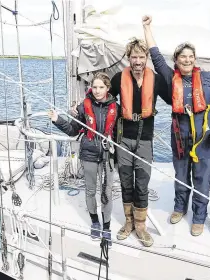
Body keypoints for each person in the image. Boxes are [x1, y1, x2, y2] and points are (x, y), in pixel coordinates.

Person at [142, 15, 210, 236]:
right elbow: (156, 57)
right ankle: (179, 207)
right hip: (179, 134)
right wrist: (147, 28)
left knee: (202, 177)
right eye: (182, 57)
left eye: (190, 56)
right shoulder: (170, 77)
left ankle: (198, 216)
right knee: (180, 174)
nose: (187, 60)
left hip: (203, 137)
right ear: (176, 60)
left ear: (195, 59)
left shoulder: (207, 78)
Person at [109, 38, 171, 247]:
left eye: (141, 57)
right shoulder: (119, 78)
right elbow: (105, 100)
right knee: (126, 183)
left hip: (145, 140)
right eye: (134, 56)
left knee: (141, 184)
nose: (137, 61)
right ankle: (128, 223)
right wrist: (81, 108)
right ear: (129, 58)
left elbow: (174, 100)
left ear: (146, 59)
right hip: (123, 140)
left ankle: (141, 226)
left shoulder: (156, 80)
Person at [48, 72, 119, 246]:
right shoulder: (82, 107)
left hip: (107, 155)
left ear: (107, 88)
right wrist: (57, 120)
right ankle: (95, 221)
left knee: (107, 192)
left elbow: (120, 133)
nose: (97, 90)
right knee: (90, 190)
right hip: (88, 154)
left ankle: (107, 227)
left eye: (101, 87)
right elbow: (73, 130)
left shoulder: (116, 107)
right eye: (94, 87)